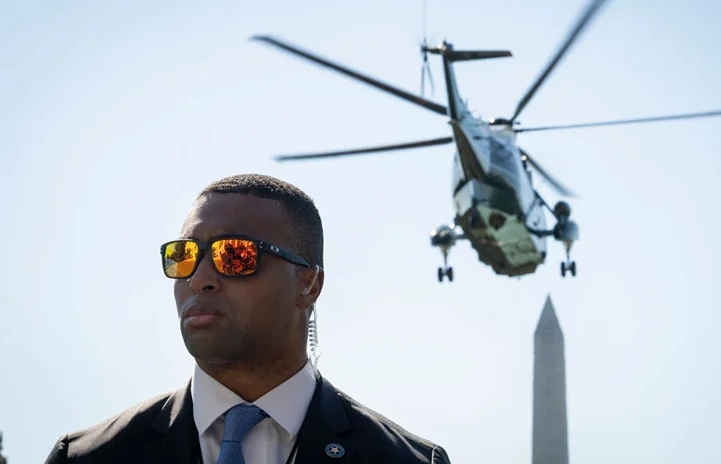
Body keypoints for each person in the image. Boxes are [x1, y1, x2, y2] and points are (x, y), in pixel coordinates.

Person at [45, 173, 452, 464]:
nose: (200, 278)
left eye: (235, 255)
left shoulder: (405, 459)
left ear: (307, 284)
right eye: (183, 257)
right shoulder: (87, 457)